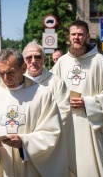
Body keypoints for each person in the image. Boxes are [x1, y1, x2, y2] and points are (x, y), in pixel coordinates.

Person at [0, 49, 68, 177]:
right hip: (2, 165)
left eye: (10, 72)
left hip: (30, 168)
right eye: (1, 73)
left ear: (23, 68)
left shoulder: (42, 94)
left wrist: (24, 142)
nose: (6, 78)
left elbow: (53, 133)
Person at [51, 20, 103, 176]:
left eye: (80, 34)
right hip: (66, 122)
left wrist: (88, 102)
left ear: (87, 36)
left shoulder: (99, 61)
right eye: (73, 34)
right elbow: (49, 90)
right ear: (69, 37)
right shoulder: (62, 62)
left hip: (92, 124)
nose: (76, 37)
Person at [22, 40, 74, 174]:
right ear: (23, 61)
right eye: (29, 57)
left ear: (44, 59)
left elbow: (64, 111)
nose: (33, 61)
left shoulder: (56, 82)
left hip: (49, 144)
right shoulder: (18, 83)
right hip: (23, 143)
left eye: (38, 57)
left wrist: (43, 136)